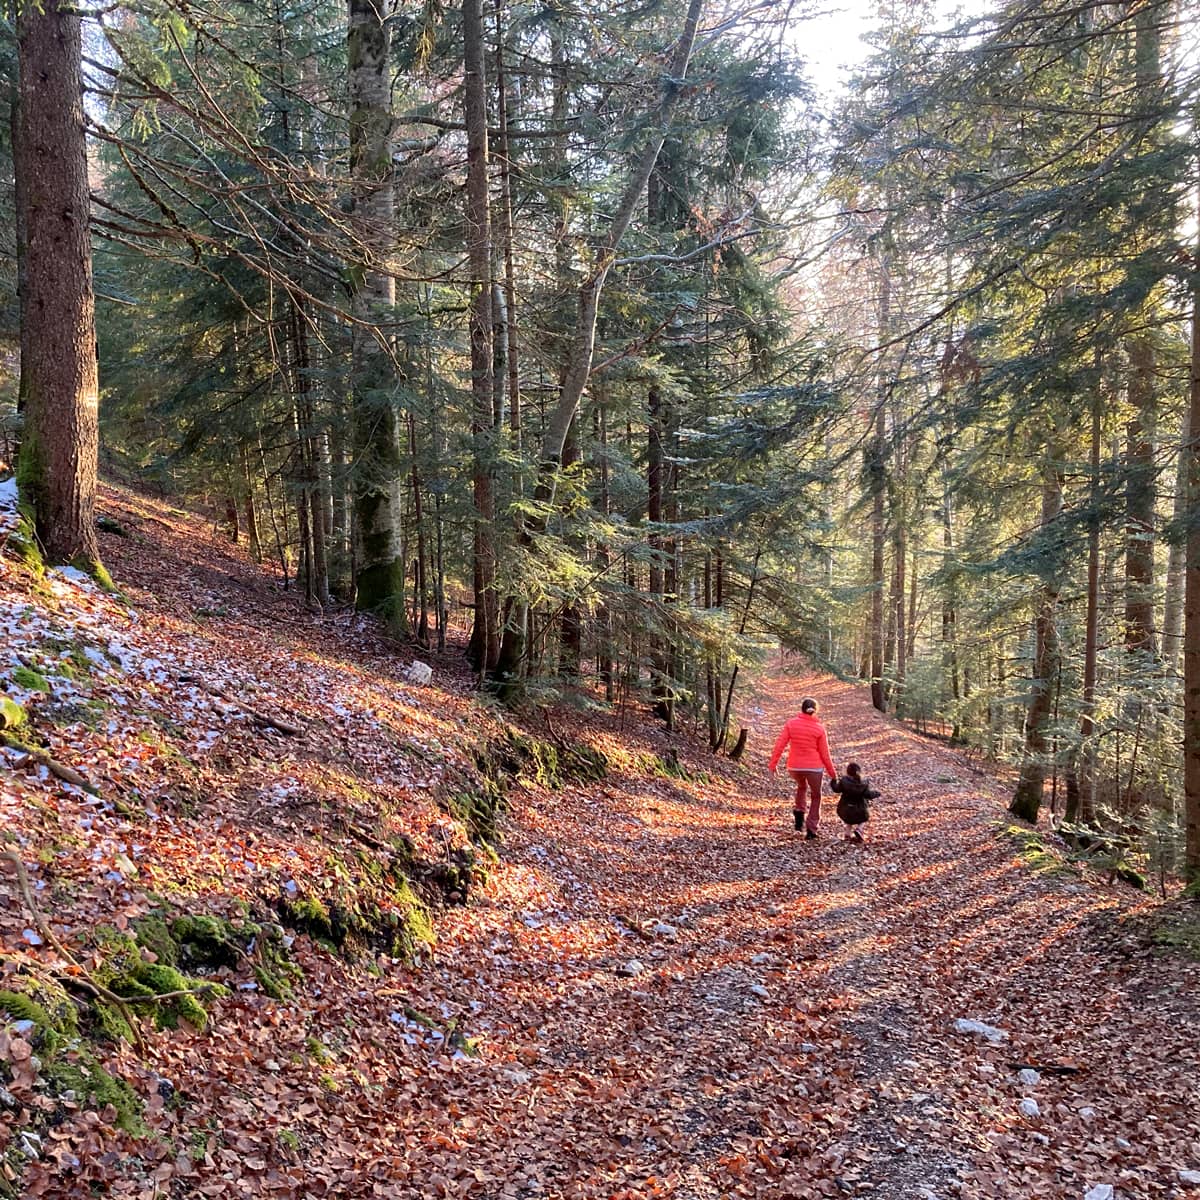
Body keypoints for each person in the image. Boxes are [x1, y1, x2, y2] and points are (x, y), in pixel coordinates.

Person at [768, 696, 837, 839]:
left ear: (802, 709)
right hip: (814, 768)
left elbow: (780, 744)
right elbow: (825, 754)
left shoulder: (791, 724)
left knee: (801, 787)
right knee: (816, 795)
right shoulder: (819, 728)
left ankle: (799, 817)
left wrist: (773, 764)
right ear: (815, 711)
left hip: (794, 766)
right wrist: (832, 773)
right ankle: (811, 829)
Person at [831, 762, 880, 844]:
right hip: (860, 809)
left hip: (845, 809)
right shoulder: (863, 783)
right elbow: (868, 794)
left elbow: (836, 789)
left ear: (847, 772)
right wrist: (877, 793)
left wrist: (833, 781)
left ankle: (847, 835)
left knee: (848, 821)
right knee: (863, 818)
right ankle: (859, 829)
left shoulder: (843, 782)